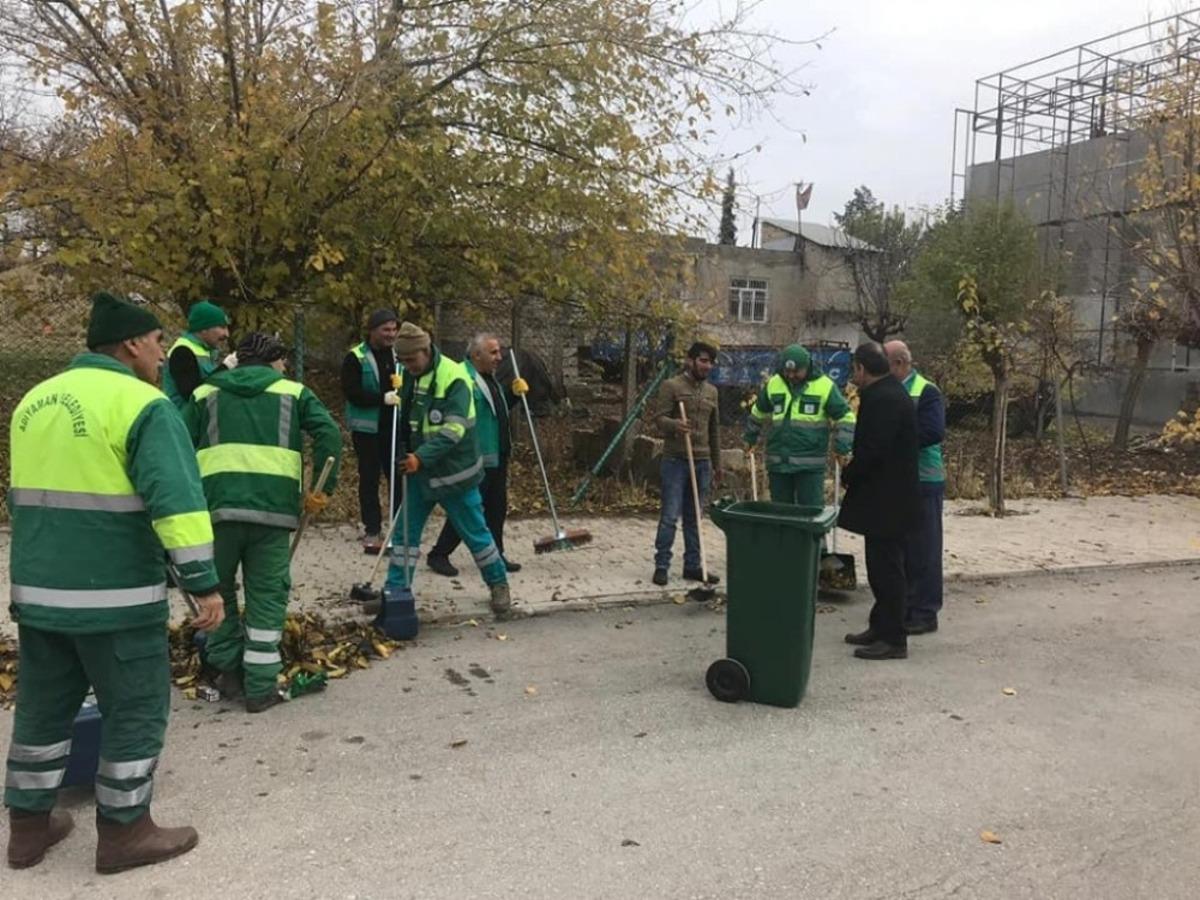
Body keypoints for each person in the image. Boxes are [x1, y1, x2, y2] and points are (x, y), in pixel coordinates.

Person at [5, 291, 224, 873]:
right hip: (115, 597)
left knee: (41, 711)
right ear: (131, 345)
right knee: (135, 708)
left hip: (40, 593)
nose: (160, 355)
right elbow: (176, 504)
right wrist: (203, 584)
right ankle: (125, 832)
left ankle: (28, 829)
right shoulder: (142, 405)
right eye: (156, 343)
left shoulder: (33, 401)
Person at [183, 332, 342, 713]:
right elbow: (330, 435)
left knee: (216, 592)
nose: (284, 368)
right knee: (266, 597)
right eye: (283, 362)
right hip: (273, 513)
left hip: (216, 511)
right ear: (273, 362)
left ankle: (228, 672)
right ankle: (260, 687)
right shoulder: (294, 393)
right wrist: (322, 487)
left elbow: (178, 442)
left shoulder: (206, 394)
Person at [383, 322, 512, 617]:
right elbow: (412, 421)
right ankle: (395, 592)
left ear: (426, 351)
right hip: (420, 474)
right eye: (402, 361)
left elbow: (454, 430)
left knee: (477, 534)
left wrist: (420, 457)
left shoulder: (455, 378)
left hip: (456, 474)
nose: (407, 366)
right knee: (404, 537)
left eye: (411, 360)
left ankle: (499, 584)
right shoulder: (408, 375)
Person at [838, 342, 921, 661]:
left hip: (889, 501)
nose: (852, 376)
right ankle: (880, 625)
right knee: (880, 567)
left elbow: (874, 450)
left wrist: (850, 473)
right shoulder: (887, 392)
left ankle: (893, 638)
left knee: (887, 571)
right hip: (887, 499)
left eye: (854, 370)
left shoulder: (884, 399)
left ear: (862, 369)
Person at [427, 333, 526, 577]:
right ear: (476, 354)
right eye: (493, 353)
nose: (499, 358)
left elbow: (492, 412)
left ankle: (496, 554)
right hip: (477, 456)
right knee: (469, 508)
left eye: (499, 352)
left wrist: (512, 395)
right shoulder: (463, 378)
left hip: (498, 454)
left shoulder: (488, 378)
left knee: (496, 508)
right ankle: (439, 553)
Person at [743, 344, 855, 509]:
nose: (791, 375)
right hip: (778, 464)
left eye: (796, 372)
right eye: (787, 371)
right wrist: (750, 437)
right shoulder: (774, 383)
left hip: (810, 466)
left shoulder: (824, 386)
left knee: (811, 515)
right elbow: (758, 412)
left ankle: (812, 537)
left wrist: (842, 445)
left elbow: (846, 417)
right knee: (781, 515)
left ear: (807, 367)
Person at [885, 340, 946, 636]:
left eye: (884, 364)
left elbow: (933, 431)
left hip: (925, 481)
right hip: (899, 483)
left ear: (899, 363)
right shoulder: (890, 389)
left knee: (925, 549)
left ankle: (925, 612)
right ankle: (906, 607)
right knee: (903, 550)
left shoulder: (926, 390)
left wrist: (895, 441)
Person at [652, 341, 722, 586]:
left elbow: (714, 431)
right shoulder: (671, 386)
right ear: (689, 361)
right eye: (703, 360)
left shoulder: (712, 392)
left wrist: (717, 464)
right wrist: (675, 426)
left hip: (702, 462)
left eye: (711, 362)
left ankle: (692, 566)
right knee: (670, 515)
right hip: (675, 460)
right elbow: (658, 419)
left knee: (694, 517)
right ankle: (662, 565)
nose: (707, 366)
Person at [341, 309, 401, 554]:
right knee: (369, 478)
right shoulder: (356, 357)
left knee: (397, 477)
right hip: (367, 430)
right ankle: (373, 528)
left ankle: (399, 526)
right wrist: (381, 398)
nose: (391, 334)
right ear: (372, 330)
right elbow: (351, 392)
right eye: (386, 330)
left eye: (394, 329)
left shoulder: (397, 355)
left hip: (394, 427)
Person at [161, 299, 234, 407]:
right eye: (222, 327)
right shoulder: (182, 351)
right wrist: (226, 366)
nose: (227, 334)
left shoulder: (206, 351)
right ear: (203, 329)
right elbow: (193, 394)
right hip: (185, 421)